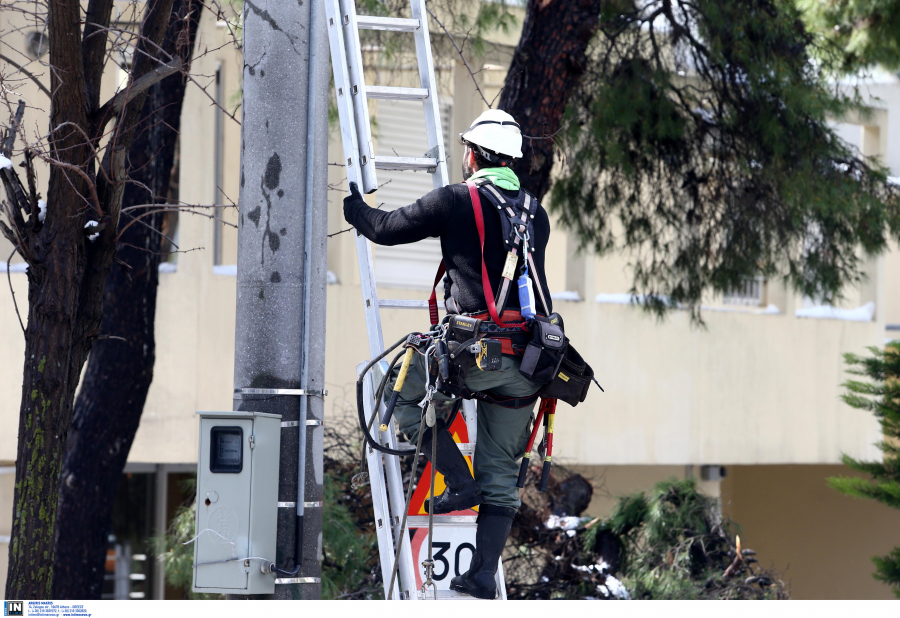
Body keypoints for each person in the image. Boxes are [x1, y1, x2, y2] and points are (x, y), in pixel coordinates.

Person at [343, 109, 553, 599]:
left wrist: (354, 207)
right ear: (512, 162)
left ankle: (457, 480)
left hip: (474, 352)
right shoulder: (534, 212)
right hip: (528, 362)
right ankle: (481, 575)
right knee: (501, 473)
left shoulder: (457, 199)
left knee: (392, 384)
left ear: (474, 155)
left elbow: (387, 228)